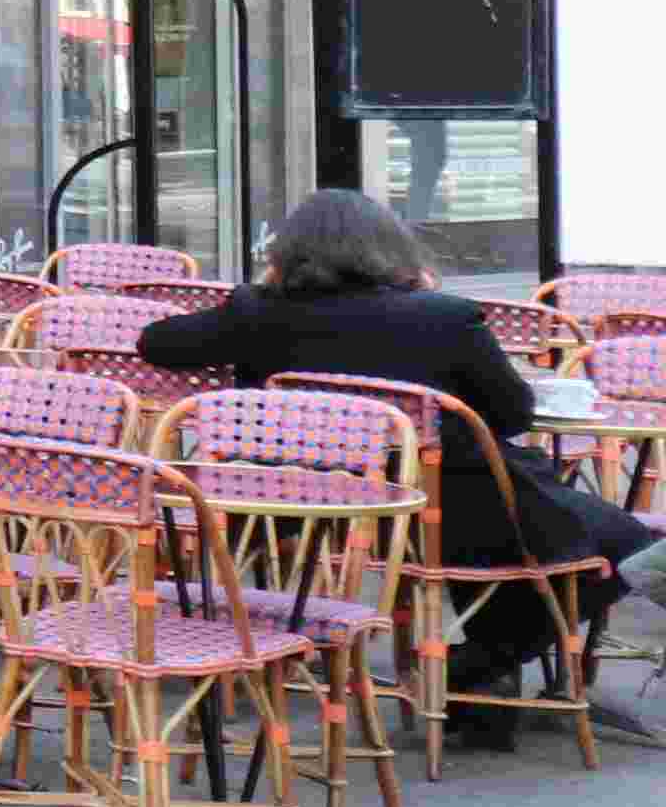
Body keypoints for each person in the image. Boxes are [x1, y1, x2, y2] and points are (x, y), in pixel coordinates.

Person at [136, 187, 666, 741]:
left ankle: (481, 687)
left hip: (310, 515)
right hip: (449, 509)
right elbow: (511, 414)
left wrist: (261, 296)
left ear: (286, 254)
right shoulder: (444, 318)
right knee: (622, 546)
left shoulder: (256, 313)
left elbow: (156, 343)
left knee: (544, 538)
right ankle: (475, 672)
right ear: (392, 249)